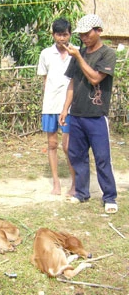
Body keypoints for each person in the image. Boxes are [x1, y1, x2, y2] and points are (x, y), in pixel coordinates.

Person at [59, 14, 118, 214]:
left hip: (97, 115)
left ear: (98, 31)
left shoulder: (107, 54)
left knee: (102, 157)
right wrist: (65, 109)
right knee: (77, 155)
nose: (84, 38)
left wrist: (78, 57)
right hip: (77, 114)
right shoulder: (80, 52)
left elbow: (95, 79)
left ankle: (109, 197)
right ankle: (82, 193)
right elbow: (72, 83)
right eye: (81, 34)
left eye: (87, 33)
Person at [37, 18, 75, 196]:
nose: (62, 38)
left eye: (65, 34)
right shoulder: (45, 54)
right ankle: (56, 184)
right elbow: (45, 80)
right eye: (58, 35)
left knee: (68, 146)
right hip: (50, 105)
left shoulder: (76, 53)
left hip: (70, 107)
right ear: (53, 35)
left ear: (70, 34)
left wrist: (68, 106)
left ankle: (75, 183)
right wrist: (48, 101)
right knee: (52, 144)